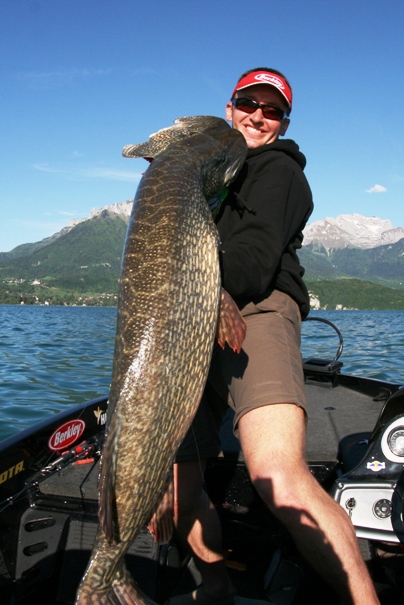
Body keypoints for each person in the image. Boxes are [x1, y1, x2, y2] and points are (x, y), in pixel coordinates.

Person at [170, 68, 380, 605]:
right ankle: (215, 590)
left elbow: (252, 263)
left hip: (257, 308)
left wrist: (197, 275)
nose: (258, 117)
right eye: (249, 104)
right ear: (230, 106)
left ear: (284, 124)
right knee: (177, 490)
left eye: (272, 111)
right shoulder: (210, 172)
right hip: (192, 319)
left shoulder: (280, 173)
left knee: (277, 474)